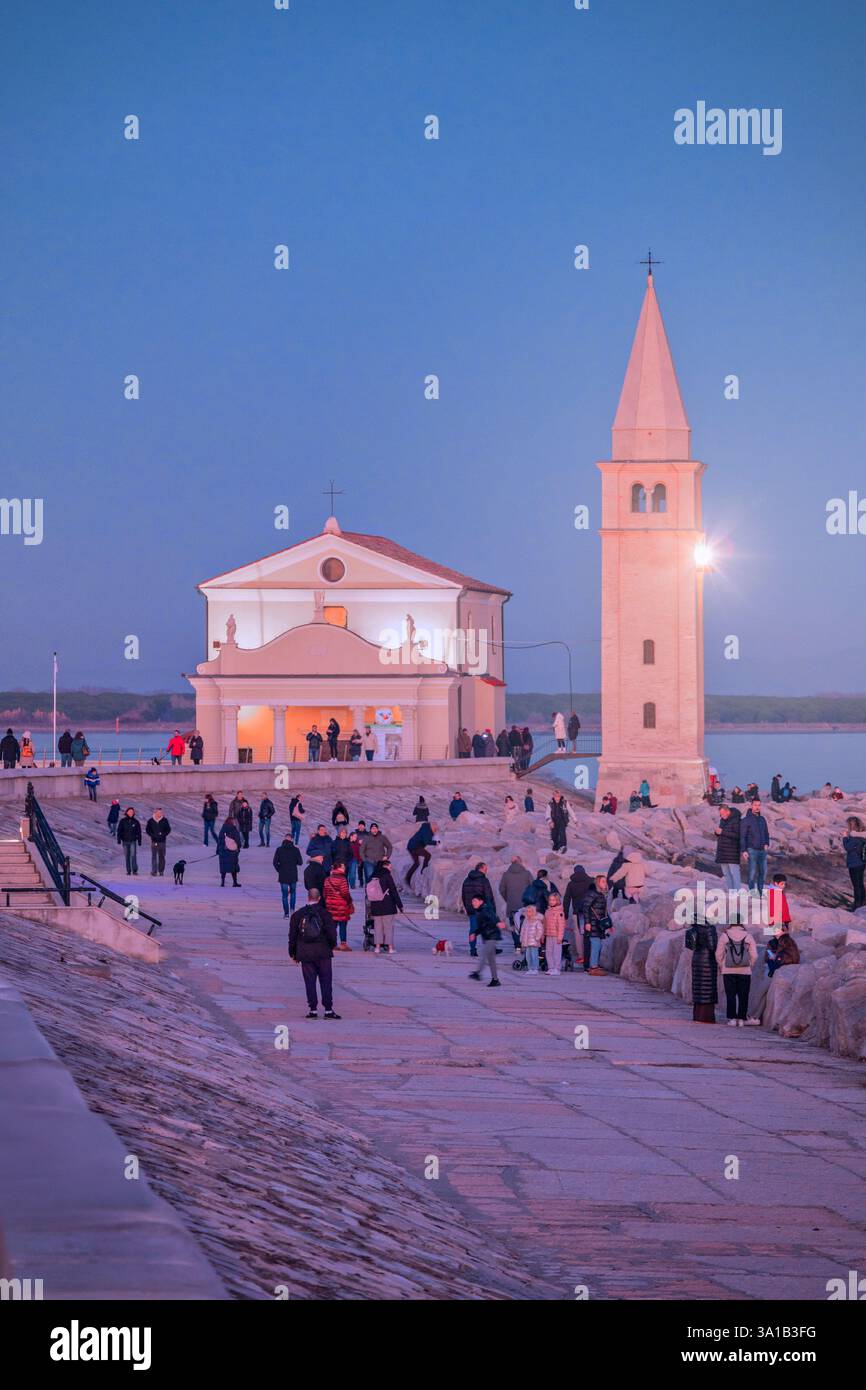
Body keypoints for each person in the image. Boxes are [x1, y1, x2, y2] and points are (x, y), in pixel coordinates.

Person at [288, 888, 340, 1019]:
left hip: (305, 953)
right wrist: (331, 946)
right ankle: (328, 1010)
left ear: (308, 898)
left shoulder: (298, 915)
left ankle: (313, 1010)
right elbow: (332, 933)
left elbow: (292, 936)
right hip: (323, 952)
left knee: (309, 982)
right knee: (326, 980)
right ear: (319, 898)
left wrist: (293, 953)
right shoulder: (325, 914)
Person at [716, 923, 758, 1026]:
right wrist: (750, 965)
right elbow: (754, 955)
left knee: (730, 995)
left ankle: (732, 1019)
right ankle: (741, 1019)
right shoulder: (748, 935)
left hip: (728, 970)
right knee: (743, 995)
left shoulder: (725, 935)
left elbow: (718, 954)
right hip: (745, 971)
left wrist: (721, 965)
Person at [685, 915, 718, 1023]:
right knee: (708, 989)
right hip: (708, 961)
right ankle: (706, 1017)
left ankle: (697, 1015)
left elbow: (691, 946)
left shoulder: (693, 929)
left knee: (698, 987)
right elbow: (712, 946)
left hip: (696, 959)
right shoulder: (710, 929)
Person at [367, 856, 403, 954]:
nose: (390, 869)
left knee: (378, 927)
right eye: (390, 867)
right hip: (388, 905)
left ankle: (377, 947)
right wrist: (400, 905)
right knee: (388, 927)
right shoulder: (387, 876)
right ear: (385, 866)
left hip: (375, 906)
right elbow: (394, 891)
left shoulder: (372, 876)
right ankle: (390, 948)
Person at [468, 896, 504, 987]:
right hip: (487, 936)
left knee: (484, 954)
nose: (473, 903)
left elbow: (493, 916)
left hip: (492, 935)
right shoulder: (479, 911)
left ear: (481, 901)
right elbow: (482, 926)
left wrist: (497, 923)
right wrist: (475, 933)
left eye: (475, 901)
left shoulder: (486, 909)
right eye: (472, 901)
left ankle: (478, 973)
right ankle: (495, 980)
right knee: (491, 959)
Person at [499, 855, 533, 948]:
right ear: (520, 862)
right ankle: (525, 944)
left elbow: (501, 889)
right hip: (525, 905)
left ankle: (517, 946)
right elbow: (533, 887)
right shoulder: (527, 874)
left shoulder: (506, 875)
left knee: (514, 926)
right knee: (525, 925)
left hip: (512, 905)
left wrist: (508, 899)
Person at [463, 861, 495, 957]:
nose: (486, 871)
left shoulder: (466, 880)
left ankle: (473, 949)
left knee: (473, 930)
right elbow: (488, 896)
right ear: (480, 869)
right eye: (485, 869)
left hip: (471, 909)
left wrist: (467, 907)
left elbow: (464, 896)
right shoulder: (484, 880)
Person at [740, 798, 770, 896]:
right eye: (755, 805)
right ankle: (753, 893)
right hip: (751, 850)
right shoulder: (746, 820)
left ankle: (760, 893)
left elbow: (766, 833)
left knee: (763, 872)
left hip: (762, 850)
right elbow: (742, 836)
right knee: (752, 873)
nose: (757, 807)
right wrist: (744, 850)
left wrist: (767, 843)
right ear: (751, 806)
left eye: (759, 805)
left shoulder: (762, 819)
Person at [563, 862, 593, 958]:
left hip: (577, 911)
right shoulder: (591, 881)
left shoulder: (571, 884)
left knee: (578, 933)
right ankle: (590, 954)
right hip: (590, 911)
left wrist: (565, 914)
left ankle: (581, 955)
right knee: (590, 932)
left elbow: (567, 899)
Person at [584, 875, 612, 975]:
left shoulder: (601, 895)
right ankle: (593, 967)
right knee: (596, 944)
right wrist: (587, 922)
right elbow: (586, 907)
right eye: (603, 881)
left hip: (599, 924)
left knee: (598, 944)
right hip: (593, 923)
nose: (605, 883)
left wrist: (609, 924)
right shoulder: (592, 894)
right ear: (597, 883)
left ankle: (594, 965)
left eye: (605, 881)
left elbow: (604, 911)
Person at [324, 861, 355, 951]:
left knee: (332, 925)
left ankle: (332, 943)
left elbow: (324, 893)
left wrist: (328, 900)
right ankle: (343, 944)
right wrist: (350, 901)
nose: (344, 868)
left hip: (330, 905)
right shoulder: (342, 879)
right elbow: (345, 893)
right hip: (341, 905)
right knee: (342, 924)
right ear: (339, 868)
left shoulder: (327, 879)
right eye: (343, 866)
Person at [714, 804, 742, 891]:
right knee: (726, 873)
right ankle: (731, 891)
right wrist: (717, 832)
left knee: (734, 872)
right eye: (720, 814)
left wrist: (722, 832)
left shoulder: (736, 820)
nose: (721, 816)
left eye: (722, 813)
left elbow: (738, 835)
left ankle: (737, 891)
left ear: (727, 811)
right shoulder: (722, 820)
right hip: (722, 851)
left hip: (732, 851)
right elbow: (721, 833)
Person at [273, 834, 303, 916]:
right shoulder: (296, 850)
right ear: (292, 840)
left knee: (284, 895)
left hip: (283, 875)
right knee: (293, 894)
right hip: (293, 874)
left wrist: (279, 870)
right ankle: (292, 910)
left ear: (284, 839)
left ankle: (286, 913)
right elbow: (300, 862)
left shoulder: (279, 849)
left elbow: (275, 862)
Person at [842, 816, 866, 910]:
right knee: (860, 883)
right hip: (861, 862)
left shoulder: (855, 837)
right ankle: (863, 902)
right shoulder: (862, 835)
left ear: (852, 825)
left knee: (856, 885)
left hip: (854, 863)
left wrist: (845, 837)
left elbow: (848, 847)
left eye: (848, 825)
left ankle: (857, 905)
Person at [406, 820, 437, 888]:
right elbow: (427, 841)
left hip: (411, 846)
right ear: (432, 827)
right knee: (428, 855)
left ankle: (408, 878)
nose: (435, 831)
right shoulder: (426, 830)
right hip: (415, 846)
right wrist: (436, 842)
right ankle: (424, 870)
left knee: (416, 863)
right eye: (435, 829)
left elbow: (426, 840)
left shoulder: (426, 829)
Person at [543, 890, 567, 976]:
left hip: (556, 936)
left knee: (556, 953)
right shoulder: (547, 911)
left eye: (553, 900)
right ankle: (551, 967)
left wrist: (560, 937)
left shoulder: (560, 912)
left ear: (557, 901)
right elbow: (545, 924)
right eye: (550, 900)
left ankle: (557, 968)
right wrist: (543, 935)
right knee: (548, 952)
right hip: (549, 935)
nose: (551, 901)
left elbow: (561, 925)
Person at [145, 808, 171, 877]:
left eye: (161, 812)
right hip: (154, 841)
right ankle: (154, 871)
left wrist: (163, 834)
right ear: (155, 813)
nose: (160, 814)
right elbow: (147, 830)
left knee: (162, 857)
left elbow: (168, 829)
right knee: (154, 857)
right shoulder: (151, 821)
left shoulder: (165, 820)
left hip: (162, 841)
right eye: (159, 812)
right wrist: (152, 835)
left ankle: (161, 871)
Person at [519, 904, 544, 974]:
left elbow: (540, 930)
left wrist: (537, 938)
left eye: (530, 911)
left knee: (534, 955)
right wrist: (522, 938)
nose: (528, 913)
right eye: (527, 911)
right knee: (528, 956)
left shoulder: (537, 921)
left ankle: (535, 968)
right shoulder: (526, 921)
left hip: (534, 942)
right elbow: (523, 930)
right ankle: (530, 968)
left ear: (533, 912)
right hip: (527, 942)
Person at [117, 806, 142, 876]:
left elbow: (139, 832)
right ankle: (128, 870)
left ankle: (134, 870)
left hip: (133, 841)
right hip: (125, 841)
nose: (131, 813)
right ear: (127, 812)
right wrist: (119, 839)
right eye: (130, 812)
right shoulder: (123, 821)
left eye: (132, 812)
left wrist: (139, 840)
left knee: (133, 855)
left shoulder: (136, 822)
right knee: (127, 856)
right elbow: (119, 830)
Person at [217, 816, 242, 887]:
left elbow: (219, 840)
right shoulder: (233, 829)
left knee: (223, 867)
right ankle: (234, 882)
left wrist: (218, 850)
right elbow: (237, 839)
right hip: (232, 851)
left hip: (223, 850)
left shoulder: (223, 829)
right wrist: (238, 847)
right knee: (233, 867)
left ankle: (222, 882)